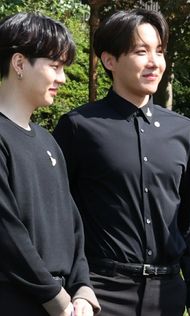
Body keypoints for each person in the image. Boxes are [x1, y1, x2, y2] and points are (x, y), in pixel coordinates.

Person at [53, 8, 190, 316]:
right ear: (110, 60)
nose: (155, 62)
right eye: (141, 51)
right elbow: (57, 216)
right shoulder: (78, 127)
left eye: (160, 51)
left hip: (168, 296)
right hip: (99, 294)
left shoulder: (186, 131)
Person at [0, 12, 101, 316]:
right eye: (55, 67)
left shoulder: (48, 141)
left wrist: (83, 288)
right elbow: (7, 233)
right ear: (19, 63)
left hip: (65, 302)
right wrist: (54, 297)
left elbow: (72, 223)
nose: (62, 78)